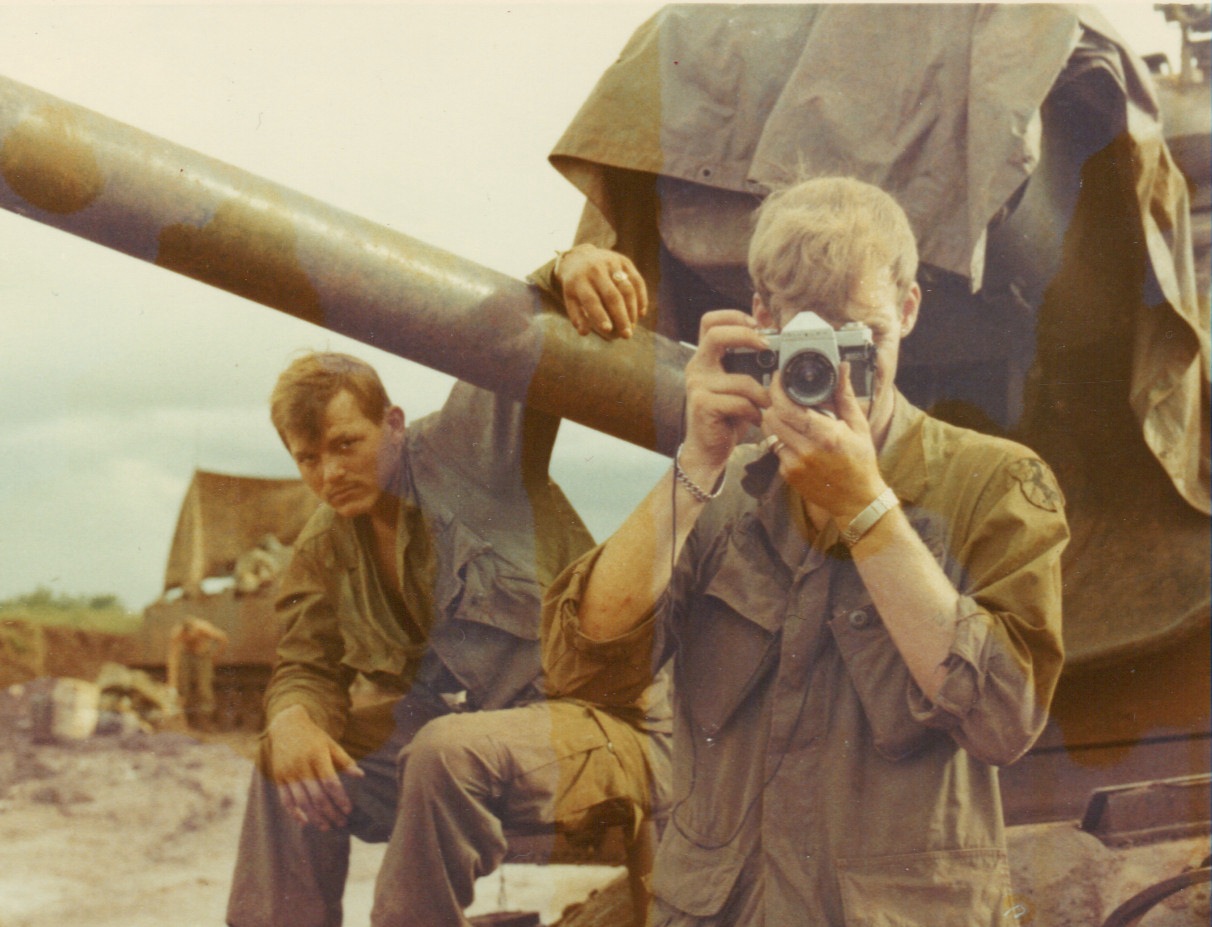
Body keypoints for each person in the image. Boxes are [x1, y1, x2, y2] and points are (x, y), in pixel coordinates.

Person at [542, 177, 1069, 925]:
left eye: (865, 340)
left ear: (909, 309)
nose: (839, 374)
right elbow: (583, 664)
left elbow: (1004, 720)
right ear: (762, 319)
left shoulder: (995, 484)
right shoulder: (722, 494)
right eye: (813, 343)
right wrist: (695, 465)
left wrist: (867, 511)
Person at [226, 353, 671, 927]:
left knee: (444, 748)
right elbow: (305, 667)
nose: (329, 474)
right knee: (289, 762)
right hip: (488, 745)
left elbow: (519, 348)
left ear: (393, 424)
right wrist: (293, 719)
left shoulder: (465, 452)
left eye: (346, 444)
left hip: (610, 728)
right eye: (308, 458)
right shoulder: (323, 547)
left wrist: (571, 291)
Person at [166, 615, 229, 730]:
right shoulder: (177, 633)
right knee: (183, 688)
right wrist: (172, 682)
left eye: (191, 635)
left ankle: (206, 721)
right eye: (186, 637)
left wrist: (215, 656)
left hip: (203, 655)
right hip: (186, 656)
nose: (188, 638)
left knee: (204, 689)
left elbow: (223, 639)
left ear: (195, 630)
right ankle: (186, 723)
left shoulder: (205, 629)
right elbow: (173, 657)